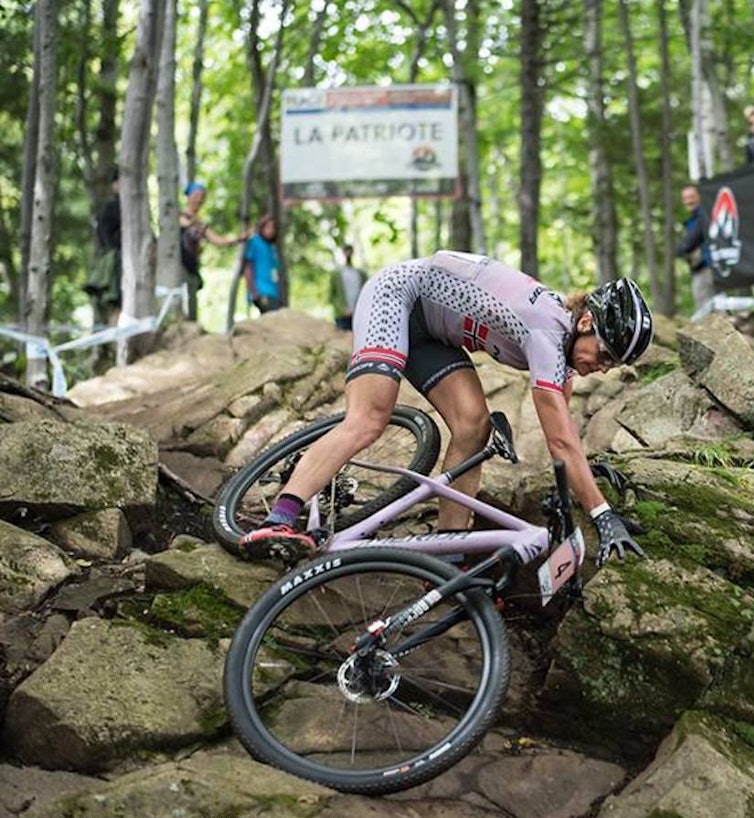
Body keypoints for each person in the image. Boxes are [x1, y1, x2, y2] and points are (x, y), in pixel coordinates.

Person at [237, 251, 653, 569]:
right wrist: (602, 514)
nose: (601, 368)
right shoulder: (547, 331)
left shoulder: (562, 345)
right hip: (397, 296)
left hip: (433, 331)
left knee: (473, 427)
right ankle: (281, 516)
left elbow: (564, 435)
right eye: (603, 354)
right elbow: (560, 441)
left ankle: (447, 555)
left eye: (611, 365)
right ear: (586, 324)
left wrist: (586, 479)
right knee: (369, 418)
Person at [178, 181, 244, 321]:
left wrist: (238, 239)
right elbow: (182, 224)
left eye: (202, 197)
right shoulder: (178, 215)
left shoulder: (200, 222)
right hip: (178, 264)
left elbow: (217, 239)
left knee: (193, 290)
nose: (199, 199)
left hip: (191, 265)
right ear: (189, 196)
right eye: (196, 195)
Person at [84, 167, 122, 330]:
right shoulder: (110, 209)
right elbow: (106, 238)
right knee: (116, 305)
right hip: (115, 267)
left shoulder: (140, 208)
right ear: (115, 185)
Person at [676, 185, 713, 311]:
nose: (689, 201)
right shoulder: (692, 220)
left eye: (692, 197)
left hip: (707, 268)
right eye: (685, 198)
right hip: (701, 268)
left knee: (705, 308)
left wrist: (681, 249)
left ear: (700, 197)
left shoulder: (703, 215)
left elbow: (689, 242)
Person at [243, 214, 282, 314]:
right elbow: (248, 268)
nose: (271, 230)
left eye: (273, 228)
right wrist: (253, 292)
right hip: (261, 290)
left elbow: (275, 272)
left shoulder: (272, 248)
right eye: (268, 227)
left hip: (273, 292)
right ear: (262, 227)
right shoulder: (254, 242)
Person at [330, 244, 367, 330]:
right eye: (346, 251)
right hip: (342, 315)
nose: (348, 253)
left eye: (350, 251)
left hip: (359, 314)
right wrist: (342, 309)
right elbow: (332, 296)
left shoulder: (361, 274)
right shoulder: (336, 274)